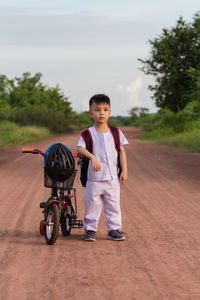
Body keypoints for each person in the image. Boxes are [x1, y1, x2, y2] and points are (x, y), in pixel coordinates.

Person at [77, 94, 128, 241]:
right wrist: (92, 156)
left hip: (112, 178)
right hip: (94, 178)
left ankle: (114, 229)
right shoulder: (88, 133)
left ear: (110, 112)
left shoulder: (116, 132)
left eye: (105, 109)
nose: (102, 113)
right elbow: (80, 148)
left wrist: (124, 170)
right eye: (97, 109)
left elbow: (122, 151)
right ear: (91, 113)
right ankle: (90, 230)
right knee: (92, 205)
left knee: (113, 205)